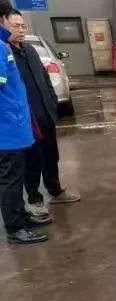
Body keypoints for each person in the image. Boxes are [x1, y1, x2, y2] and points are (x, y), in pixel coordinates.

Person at [8, 10, 79, 217]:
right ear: (4, 26)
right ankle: (34, 199)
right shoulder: (6, 55)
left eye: (23, 26)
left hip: (45, 115)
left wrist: (52, 102)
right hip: (26, 120)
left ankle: (55, 189)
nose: (21, 30)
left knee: (51, 155)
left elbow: (45, 78)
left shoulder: (30, 50)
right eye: (16, 26)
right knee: (32, 162)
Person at [0, 2, 48, 245]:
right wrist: (14, 116)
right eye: (12, 21)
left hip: (14, 127)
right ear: (2, 20)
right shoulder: (0, 47)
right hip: (6, 129)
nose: (19, 28)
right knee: (10, 180)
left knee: (17, 177)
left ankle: (21, 216)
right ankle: (15, 228)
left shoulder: (4, 45)